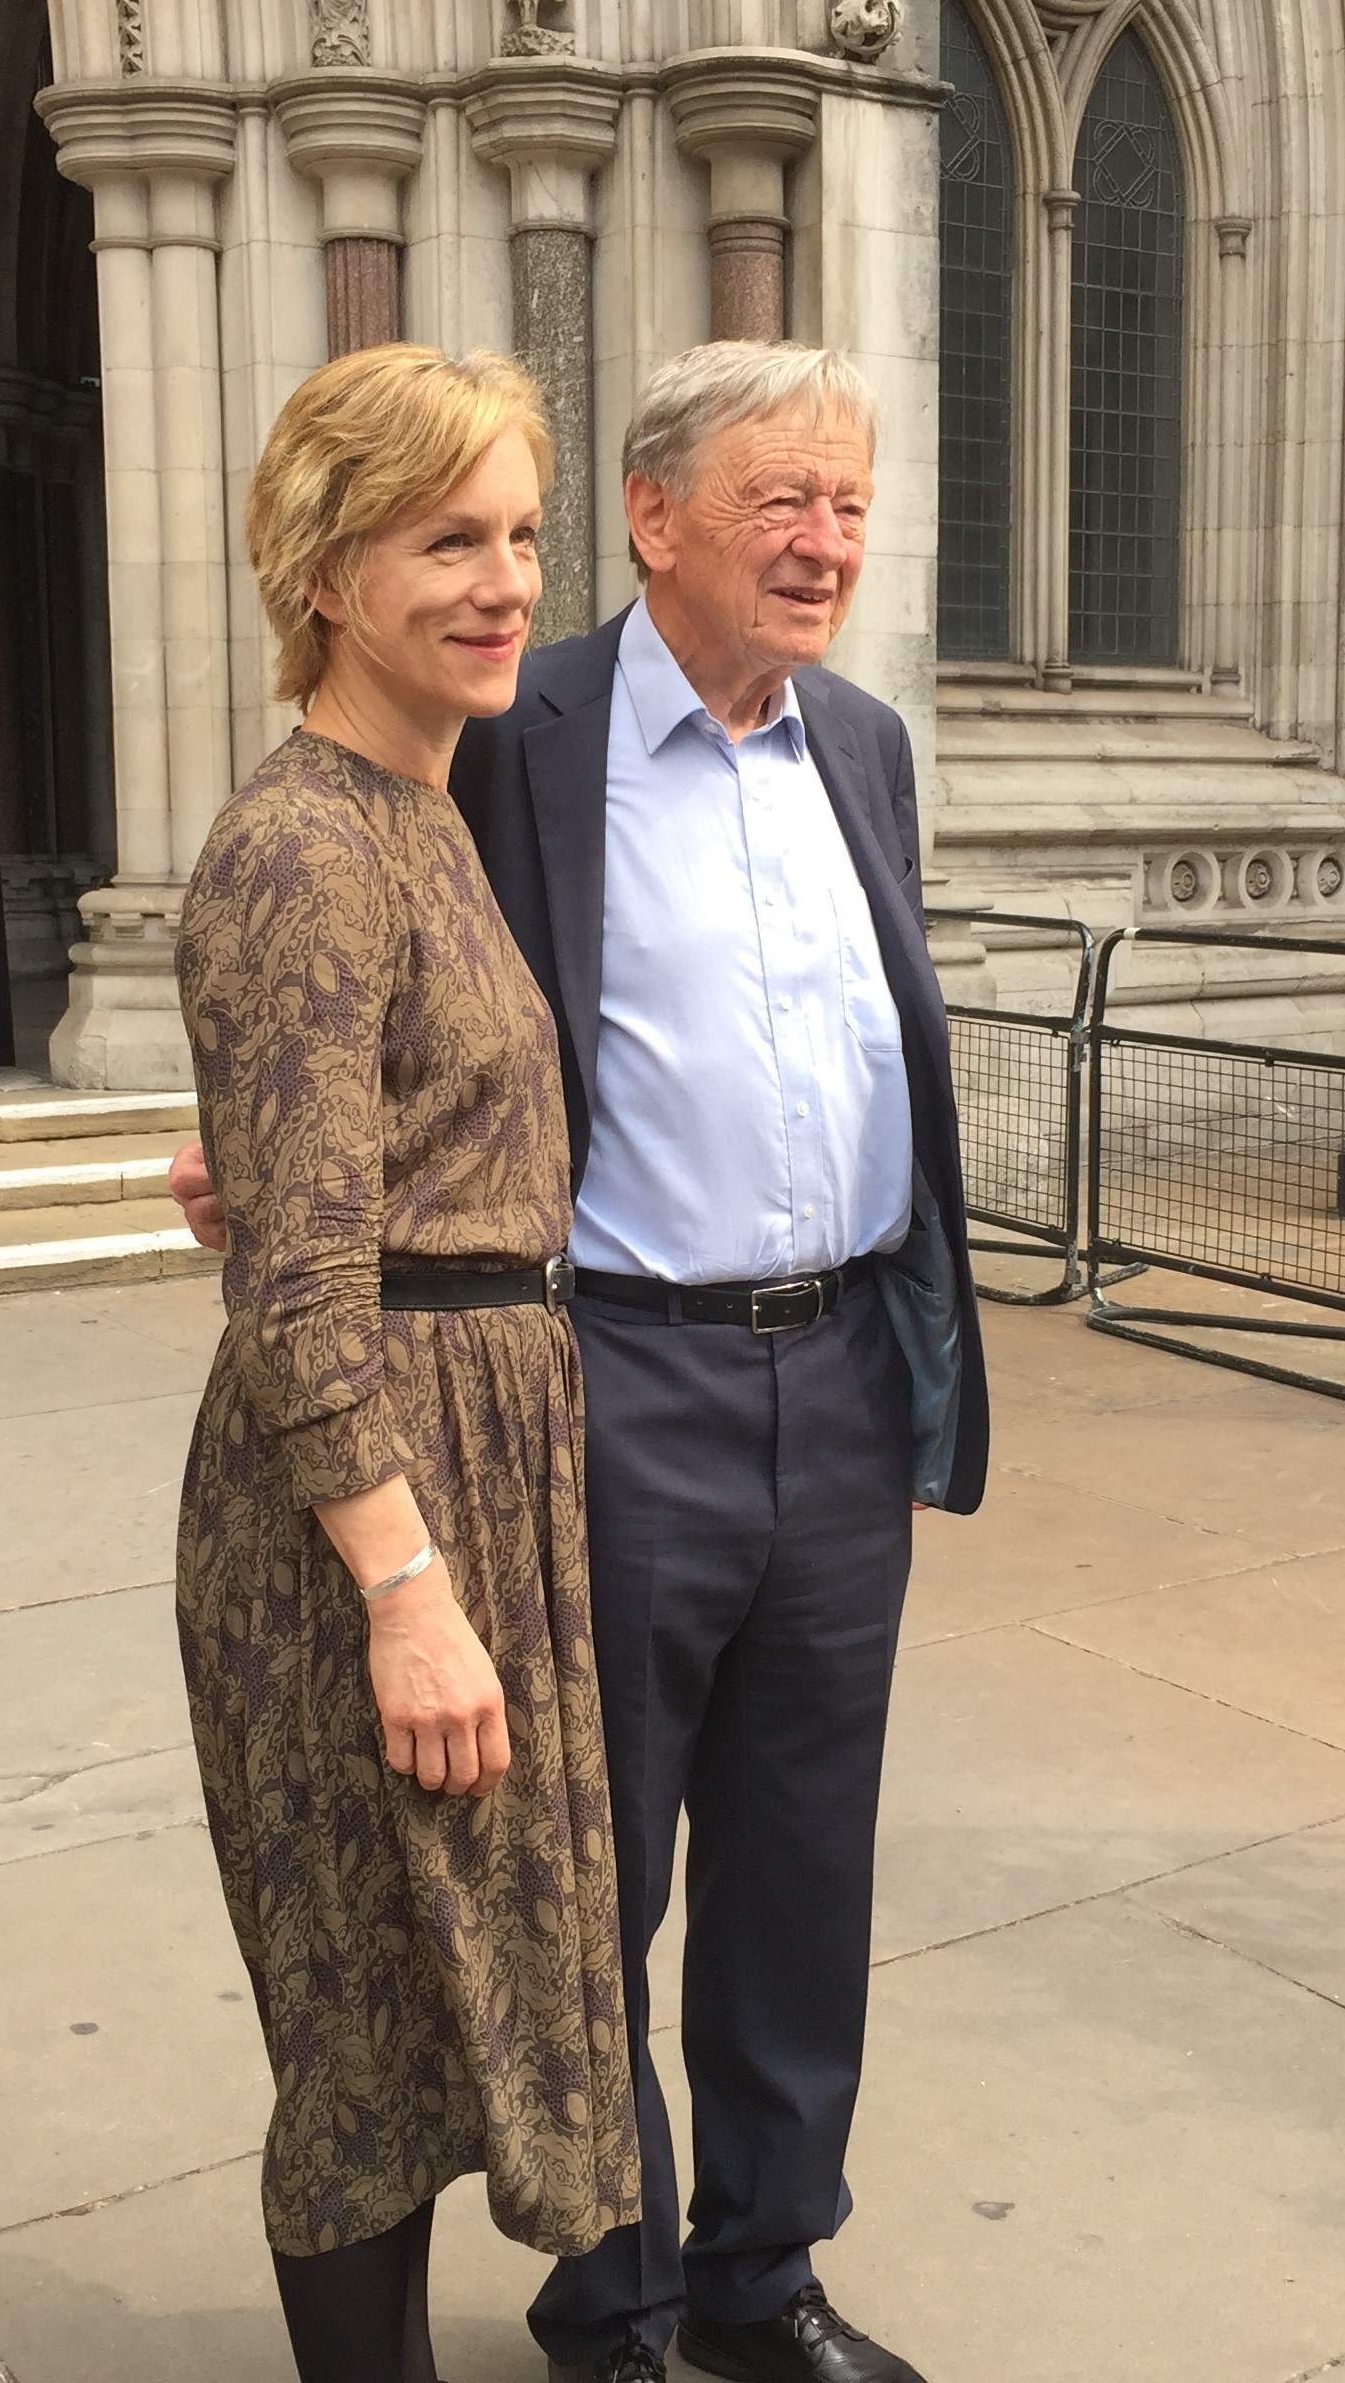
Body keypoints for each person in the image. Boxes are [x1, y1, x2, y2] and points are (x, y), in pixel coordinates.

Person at [170, 339, 991, 2383]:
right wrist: (289, 1180)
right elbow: (333, 989)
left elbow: (419, 1052)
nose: (826, 543)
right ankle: (607, 2292)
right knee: (569, 1881)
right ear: (665, 519)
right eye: (780, 500)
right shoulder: (507, 727)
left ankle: (762, 2277)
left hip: (841, 1377)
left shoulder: (863, 746)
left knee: (804, 1868)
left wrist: (311, 1155)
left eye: (851, 504)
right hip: (600, 1386)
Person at [173, 342, 639, 2383]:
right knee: (367, 2014)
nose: (504, 580)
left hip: (486, 1441)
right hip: (369, 1494)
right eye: (447, 536)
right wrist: (406, 1590)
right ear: (325, 563)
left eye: (524, 536)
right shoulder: (301, 844)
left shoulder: (424, 813)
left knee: (473, 1976)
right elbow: (299, 1292)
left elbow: (366, 1148)